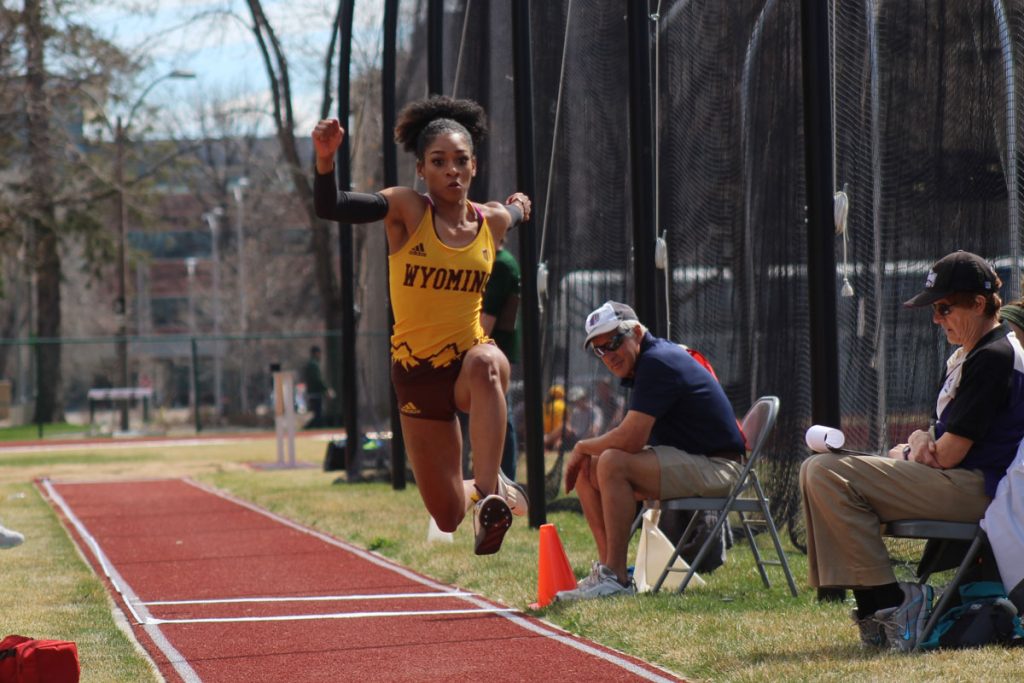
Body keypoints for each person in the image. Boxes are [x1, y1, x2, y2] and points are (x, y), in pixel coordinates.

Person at [312, 96, 531, 555]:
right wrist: (325, 160)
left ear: (474, 166)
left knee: (488, 362)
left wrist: (517, 206)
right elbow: (333, 206)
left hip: (469, 365)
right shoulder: (407, 209)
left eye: (461, 161)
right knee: (447, 514)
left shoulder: (489, 221)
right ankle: (489, 492)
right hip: (416, 375)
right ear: (421, 169)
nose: (452, 171)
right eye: (439, 161)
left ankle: (490, 496)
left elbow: (512, 214)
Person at [800, 250, 1024, 652]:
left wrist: (918, 444)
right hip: (959, 480)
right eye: (934, 309)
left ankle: (894, 604)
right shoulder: (972, 352)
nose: (937, 318)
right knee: (820, 470)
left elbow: (949, 452)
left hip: (981, 490)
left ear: (978, 304)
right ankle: (878, 608)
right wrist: (919, 442)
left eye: (944, 307)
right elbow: (938, 437)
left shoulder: (995, 355)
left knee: (826, 472)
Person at [555, 301, 746, 600]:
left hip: (718, 467)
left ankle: (616, 578)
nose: (608, 355)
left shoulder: (657, 361)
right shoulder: (649, 361)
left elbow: (631, 439)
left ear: (636, 332)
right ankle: (609, 572)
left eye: (613, 342)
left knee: (611, 462)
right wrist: (584, 454)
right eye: (599, 350)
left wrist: (580, 446)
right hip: (698, 460)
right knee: (588, 466)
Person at [480, 236, 522, 480]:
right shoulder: (497, 261)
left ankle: (504, 480)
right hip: (493, 353)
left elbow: (487, 320)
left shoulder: (500, 264)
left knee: (500, 417)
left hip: (494, 353)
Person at [302, 345, 333, 429]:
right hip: (315, 392)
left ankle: (313, 426)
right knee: (317, 412)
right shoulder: (313, 364)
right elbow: (317, 379)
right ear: (316, 353)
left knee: (316, 412)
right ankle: (314, 427)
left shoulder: (311, 364)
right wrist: (326, 389)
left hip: (312, 392)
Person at [563, 386, 602, 450]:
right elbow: (572, 428)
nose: (576, 403)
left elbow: (594, 430)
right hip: (576, 439)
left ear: (584, 398)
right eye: (574, 401)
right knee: (564, 427)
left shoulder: (595, 411)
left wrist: (582, 441)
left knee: (592, 431)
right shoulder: (575, 412)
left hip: (590, 440)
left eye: (578, 400)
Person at [543, 383, 567, 450]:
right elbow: (567, 422)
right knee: (566, 426)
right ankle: (557, 444)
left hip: (545, 433)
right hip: (557, 434)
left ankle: (548, 445)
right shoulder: (562, 405)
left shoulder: (544, 405)